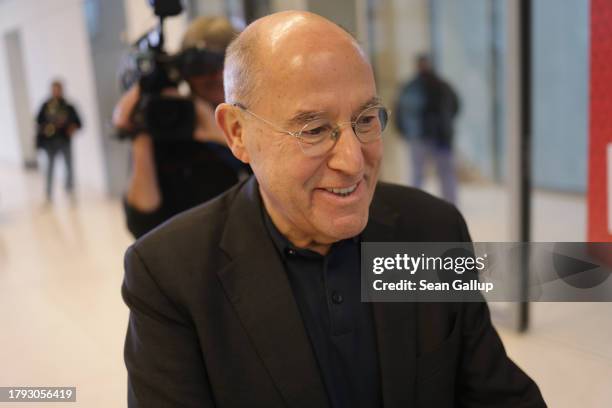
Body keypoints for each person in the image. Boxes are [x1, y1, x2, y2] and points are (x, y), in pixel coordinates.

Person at [122, 11, 546, 408]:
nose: (353, 161)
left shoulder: (429, 228)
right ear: (237, 133)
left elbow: (497, 394)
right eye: (315, 129)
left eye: (365, 119)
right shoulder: (172, 274)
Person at [113, 16, 249, 239]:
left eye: (224, 64)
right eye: (201, 66)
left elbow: (277, 197)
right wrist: (141, 134)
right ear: (185, 71)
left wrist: (219, 136)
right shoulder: (168, 122)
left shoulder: (260, 118)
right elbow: (142, 225)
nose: (215, 75)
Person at [395, 55, 460, 204]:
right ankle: (415, 205)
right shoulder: (411, 87)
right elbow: (399, 112)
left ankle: (450, 204)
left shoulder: (440, 86)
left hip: (440, 138)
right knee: (419, 174)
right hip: (421, 138)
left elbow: (455, 106)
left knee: (445, 174)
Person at [35, 80, 81, 202]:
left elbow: (78, 123)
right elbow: (38, 121)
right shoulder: (46, 106)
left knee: (69, 166)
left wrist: (72, 127)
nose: (56, 92)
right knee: (50, 167)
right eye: (54, 89)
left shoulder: (68, 106)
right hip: (50, 143)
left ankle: (69, 190)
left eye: (58, 89)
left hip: (65, 140)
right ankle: (48, 194)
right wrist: (46, 128)